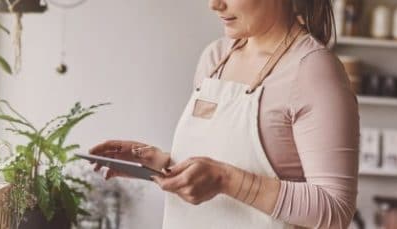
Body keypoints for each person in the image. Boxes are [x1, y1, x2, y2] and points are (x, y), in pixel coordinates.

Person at [88, 0, 359, 228]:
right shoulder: (216, 57)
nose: (214, 4)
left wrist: (225, 179)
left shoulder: (312, 70)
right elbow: (218, 170)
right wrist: (157, 163)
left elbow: (335, 209)